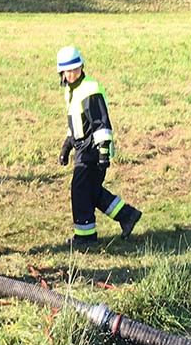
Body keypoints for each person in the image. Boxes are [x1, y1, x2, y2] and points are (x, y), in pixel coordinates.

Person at [56, 46, 141, 248]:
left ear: (82, 67)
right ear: (61, 73)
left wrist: (103, 152)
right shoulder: (72, 90)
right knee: (91, 191)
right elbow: (76, 123)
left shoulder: (89, 90)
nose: (71, 74)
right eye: (67, 71)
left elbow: (101, 123)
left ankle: (86, 237)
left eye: (75, 69)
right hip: (82, 148)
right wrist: (66, 146)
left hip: (92, 150)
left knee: (80, 191)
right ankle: (127, 215)